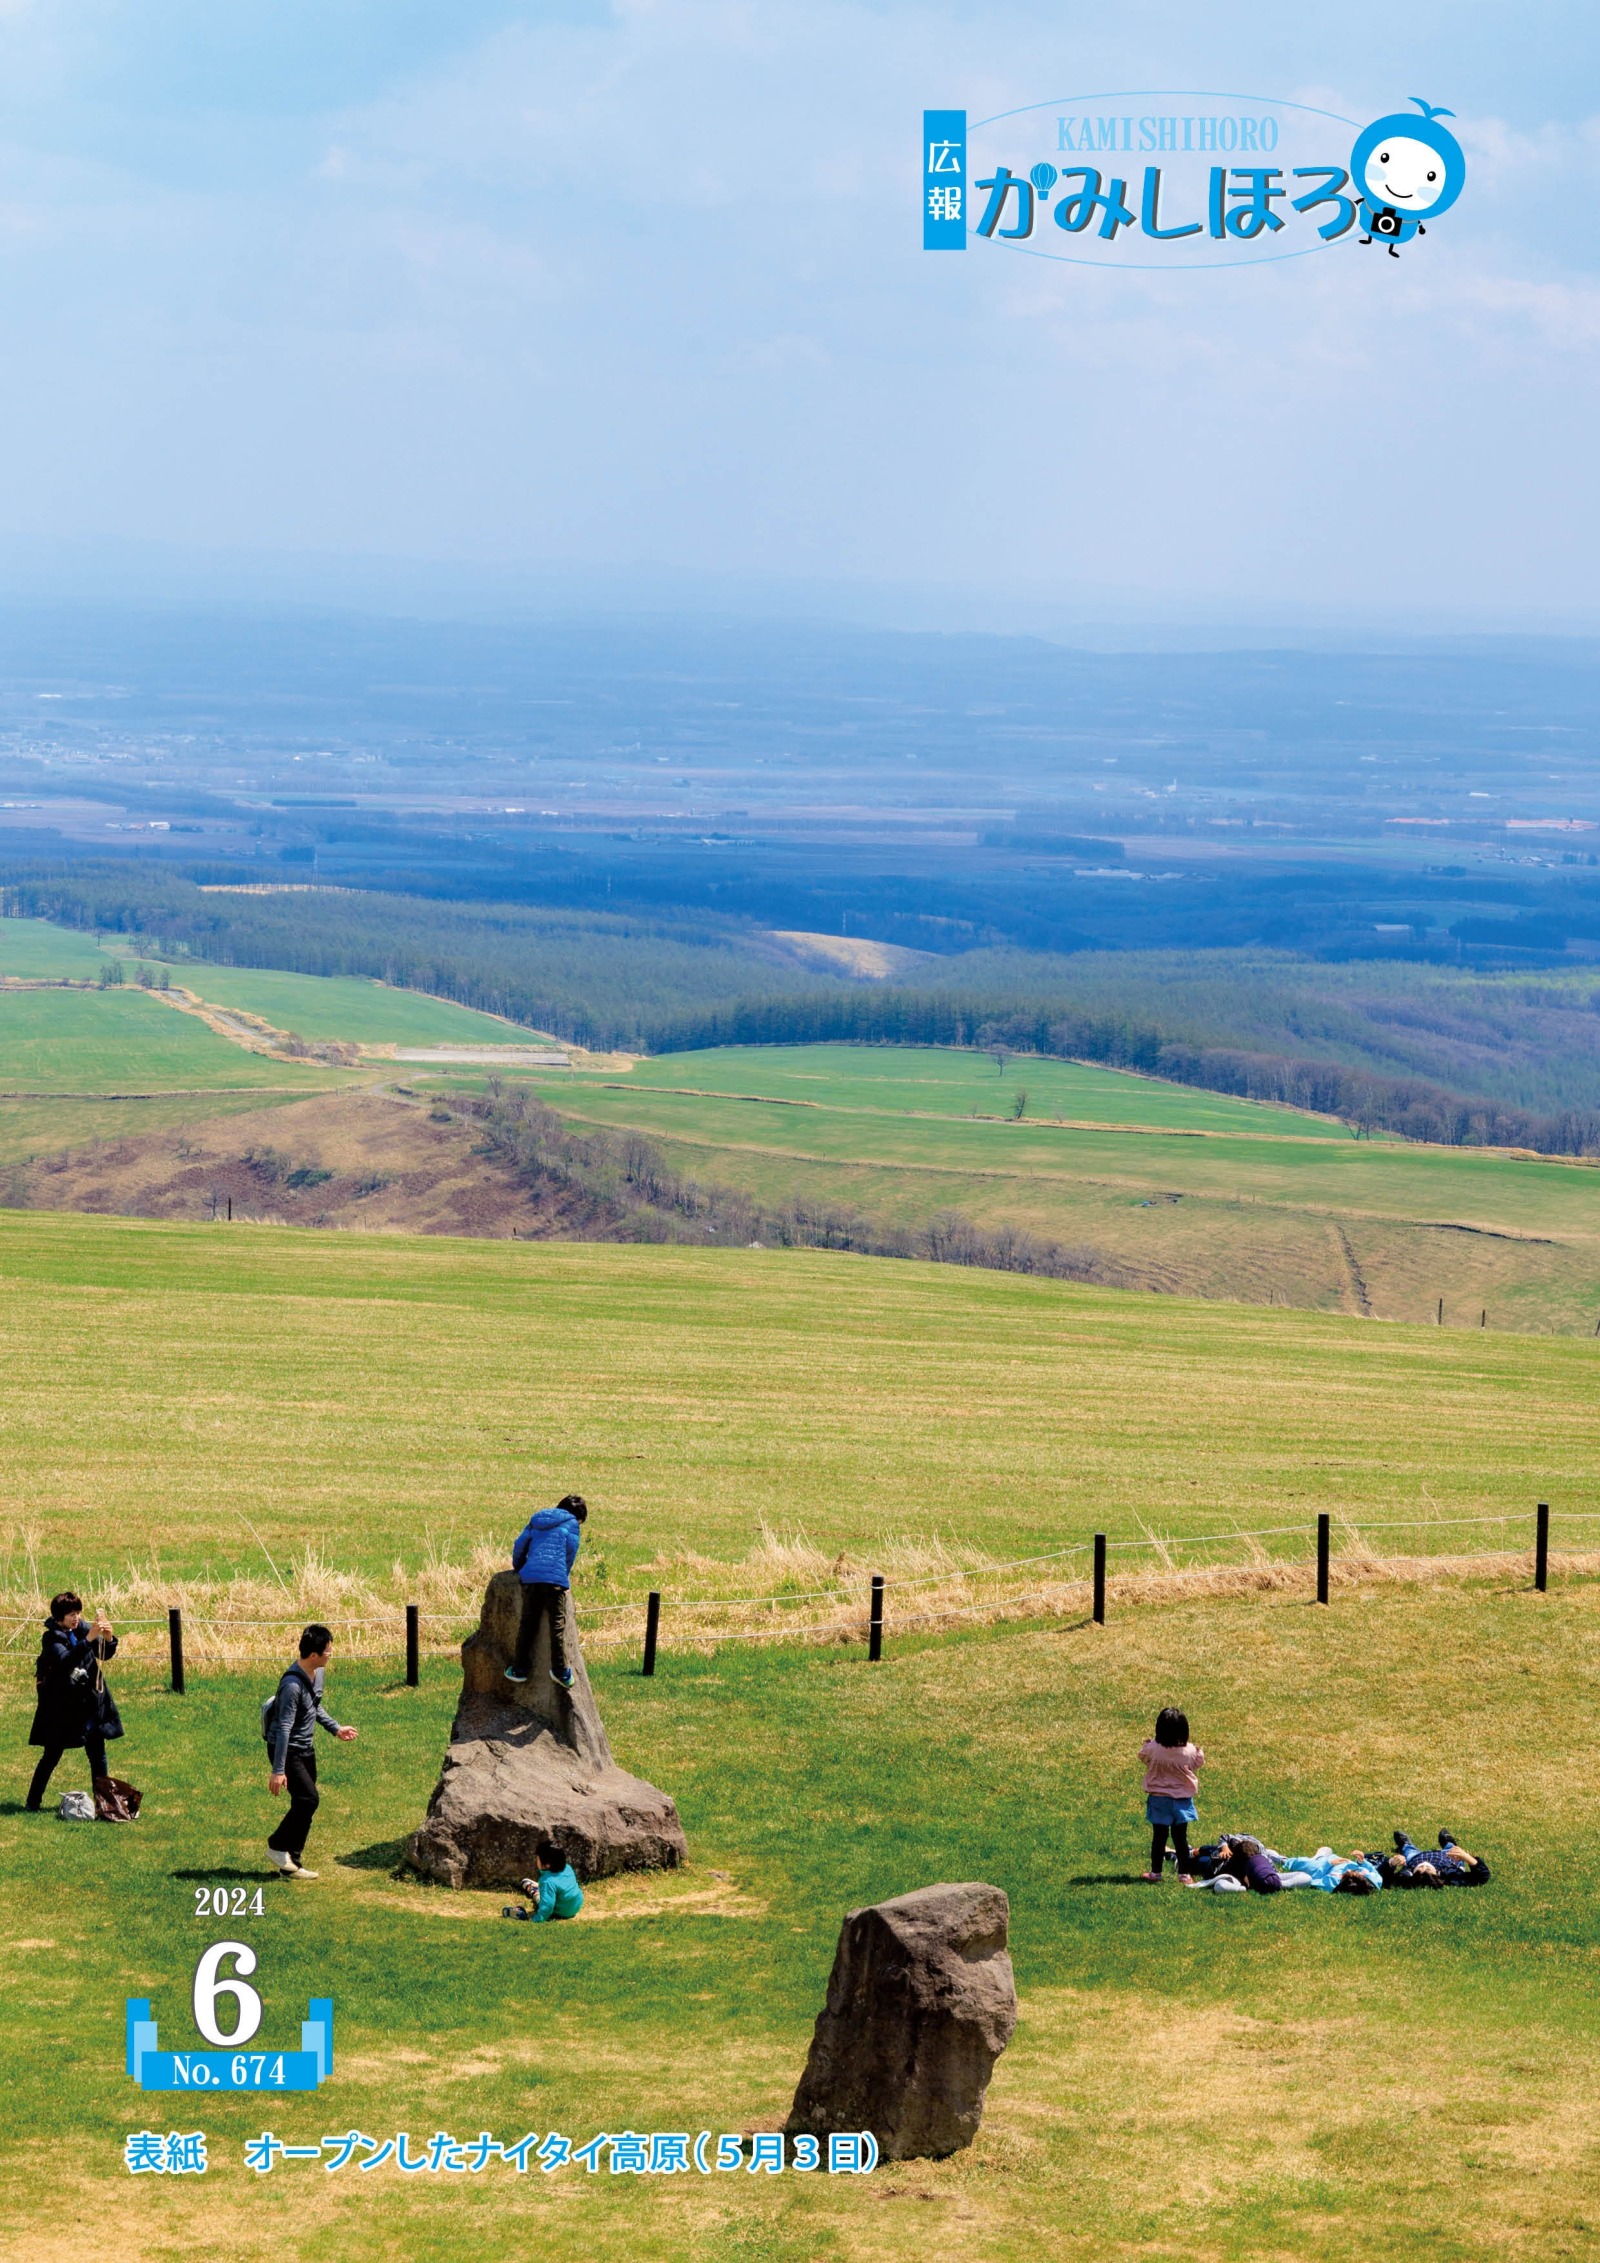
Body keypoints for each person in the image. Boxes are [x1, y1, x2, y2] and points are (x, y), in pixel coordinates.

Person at [265, 1623, 358, 1879]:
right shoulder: (292, 1686)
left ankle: (291, 1864)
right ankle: (276, 1844)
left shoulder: (318, 1673)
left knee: (304, 1804)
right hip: (286, 1750)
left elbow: (314, 1708)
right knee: (309, 1799)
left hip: (305, 1748)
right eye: (328, 1651)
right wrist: (278, 1770)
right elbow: (284, 1727)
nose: (331, 1654)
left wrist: (336, 1728)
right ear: (314, 1654)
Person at [26, 1591, 123, 1811]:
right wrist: (88, 1639)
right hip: (62, 1708)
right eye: (71, 1614)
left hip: (89, 1702)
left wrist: (108, 1639)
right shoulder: (51, 1637)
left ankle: (104, 1805)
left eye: (78, 1612)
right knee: (51, 1756)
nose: (76, 1617)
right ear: (59, 1616)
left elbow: (103, 1654)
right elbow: (64, 1661)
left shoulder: (81, 1628)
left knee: (98, 1755)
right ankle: (32, 1802)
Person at [506, 1493, 587, 1692]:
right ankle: (559, 1670)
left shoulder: (537, 1519)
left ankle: (519, 1669)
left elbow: (520, 1545)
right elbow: (570, 1553)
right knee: (557, 1624)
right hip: (554, 1581)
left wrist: (520, 1567)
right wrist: (563, 1575)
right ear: (577, 1516)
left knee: (528, 1623)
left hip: (531, 1578)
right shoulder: (571, 1525)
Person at [1139, 1706, 1203, 1881]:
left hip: (1159, 1799)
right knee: (1180, 1839)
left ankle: (1156, 1873)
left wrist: (1150, 1743)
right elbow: (1198, 1762)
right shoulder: (1188, 1750)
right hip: (1182, 1800)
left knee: (1159, 1838)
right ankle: (1184, 1874)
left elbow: (1143, 1756)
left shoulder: (1153, 1748)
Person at [1372, 1830, 1491, 1889]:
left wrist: (1391, 1864)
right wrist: (1467, 1857)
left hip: (1415, 1857)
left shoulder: (1406, 1877)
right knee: (1451, 1847)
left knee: (1409, 1851)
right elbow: (1482, 1877)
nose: (1424, 1865)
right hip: (1448, 1856)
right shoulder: (1450, 1876)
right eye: (1428, 1868)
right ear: (1436, 1875)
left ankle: (1405, 1843)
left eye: (1420, 1869)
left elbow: (1381, 1880)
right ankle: (1448, 1841)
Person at [506, 1840, 585, 1923]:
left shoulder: (547, 1881)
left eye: (538, 1859)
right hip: (576, 1906)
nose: (536, 1861)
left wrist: (536, 1919)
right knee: (551, 1891)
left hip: (562, 1912)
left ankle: (535, 1890)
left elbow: (547, 1906)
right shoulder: (567, 1868)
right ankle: (537, 1887)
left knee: (540, 1898)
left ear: (547, 1865)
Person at [1276, 1847, 1385, 1895]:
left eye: (1346, 1873)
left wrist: (1329, 1864)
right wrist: (1362, 1862)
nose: (1349, 1868)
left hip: (1321, 1866)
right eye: (1357, 1871)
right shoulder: (1375, 1880)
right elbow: (1373, 1870)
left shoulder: (1331, 1884)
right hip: (1335, 1859)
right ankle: (1320, 1856)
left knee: (1308, 1864)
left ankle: (1283, 1860)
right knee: (1325, 1851)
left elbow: (1314, 1878)